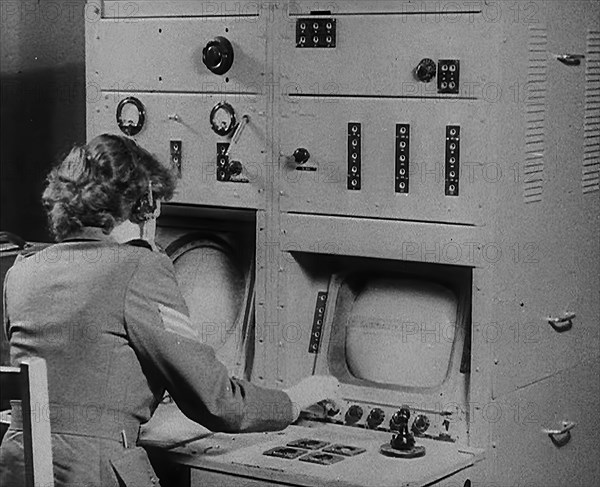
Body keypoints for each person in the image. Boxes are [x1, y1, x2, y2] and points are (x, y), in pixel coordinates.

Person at [0, 134, 339, 486]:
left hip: (15, 467)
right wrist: (295, 400)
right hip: (93, 474)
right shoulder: (138, 267)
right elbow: (217, 401)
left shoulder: (22, 272)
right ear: (143, 206)